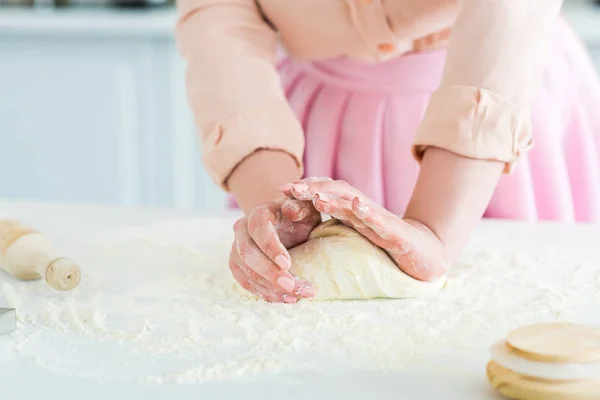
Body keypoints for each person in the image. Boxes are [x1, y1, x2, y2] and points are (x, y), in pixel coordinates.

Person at [176, 0, 600, 303]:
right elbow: (220, 18)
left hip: (494, 106)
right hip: (310, 118)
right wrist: (272, 200)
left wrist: (436, 231)